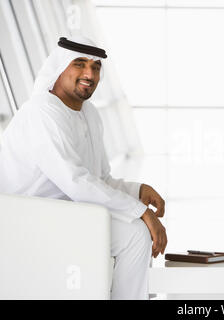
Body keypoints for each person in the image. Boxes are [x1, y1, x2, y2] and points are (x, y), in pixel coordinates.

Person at [0, 36, 167, 300]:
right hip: (23, 219)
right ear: (59, 68)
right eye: (79, 64)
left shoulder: (89, 114)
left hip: (64, 214)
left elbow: (99, 178)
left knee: (136, 233)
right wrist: (140, 212)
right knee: (136, 231)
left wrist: (138, 191)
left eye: (96, 67)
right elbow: (76, 182)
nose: (89, 73)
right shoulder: (41, 113)